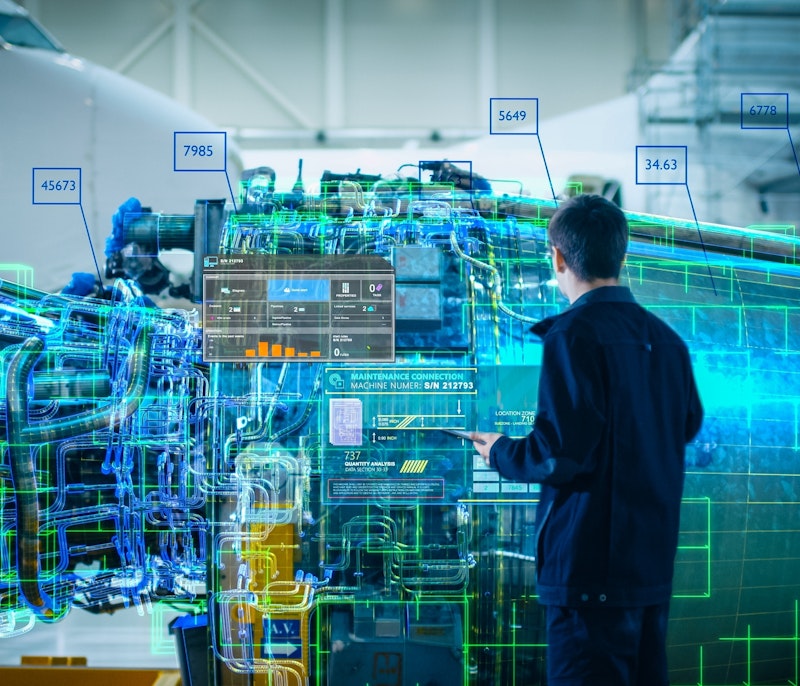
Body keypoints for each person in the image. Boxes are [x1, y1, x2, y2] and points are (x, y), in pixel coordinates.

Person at [470, 194, 704, 686]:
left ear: (557, 257)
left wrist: (500, 451)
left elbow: (559, 454)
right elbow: (686, 427)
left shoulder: (573, 334)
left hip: (587, 577)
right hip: (648, 576)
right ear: (622, 255)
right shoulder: (668, 341)